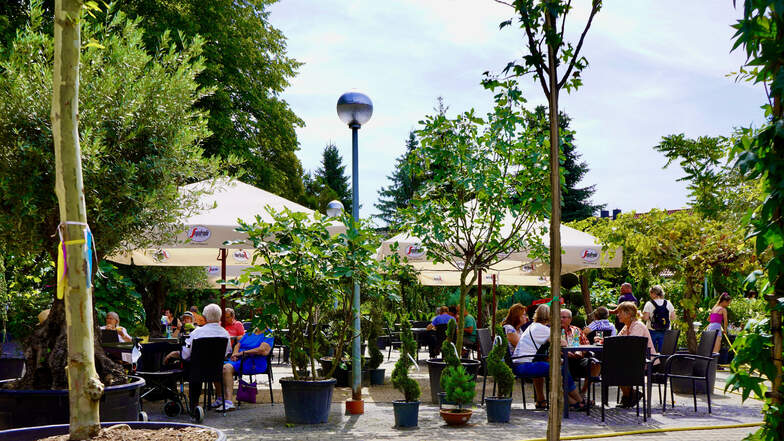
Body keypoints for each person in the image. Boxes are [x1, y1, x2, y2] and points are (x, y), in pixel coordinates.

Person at [512, 304, 589, 410]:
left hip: (520, 363)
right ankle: (579, 400)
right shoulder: (543, 329)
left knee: (557, 369)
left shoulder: (533, 326)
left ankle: (572, 402)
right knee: (559, 370)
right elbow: (563, 343)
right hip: (525, 365)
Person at [217, 327, 274, 410]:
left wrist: (243, 353)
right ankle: (220, 398)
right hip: (240, 358)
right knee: (216, 367)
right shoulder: (251, 331)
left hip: (254, 362)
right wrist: (235, 353)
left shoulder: (268, 334)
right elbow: (238, 345)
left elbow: (263, 350)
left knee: (226, 368)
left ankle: (228, 401)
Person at [616, 301, 657, 408]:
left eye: (620, 312)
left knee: (618, 369)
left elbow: (632, 344)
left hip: (646, 361)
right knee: (613, 368)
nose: (617, 315)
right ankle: (631, 395)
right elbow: (617, 340)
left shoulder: (637, 326)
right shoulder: (627, 326)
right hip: (633, 360)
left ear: (628, 314)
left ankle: (628, 396)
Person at [561, 309, 600, 394]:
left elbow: (587, 344)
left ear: (570, 319)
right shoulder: (554, 331)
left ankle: (582, 393)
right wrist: (564, 353)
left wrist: (581, 352)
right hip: (562, 360)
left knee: (595, 364)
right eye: (560, 317)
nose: (561, 319)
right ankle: (568, 396)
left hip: (578, 359)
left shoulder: (576, 330)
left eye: (563, 317)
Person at [642, 285, 676, 352]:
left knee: (651, 351)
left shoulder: (649, 303)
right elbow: (673, 317)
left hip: (652, 330)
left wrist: (641, 315)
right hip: (665, 330)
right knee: (664, 351)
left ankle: (652, 362)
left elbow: (645, 318)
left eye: (650, 293)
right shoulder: (668, 303)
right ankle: (663, 362)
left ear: (653, 293)